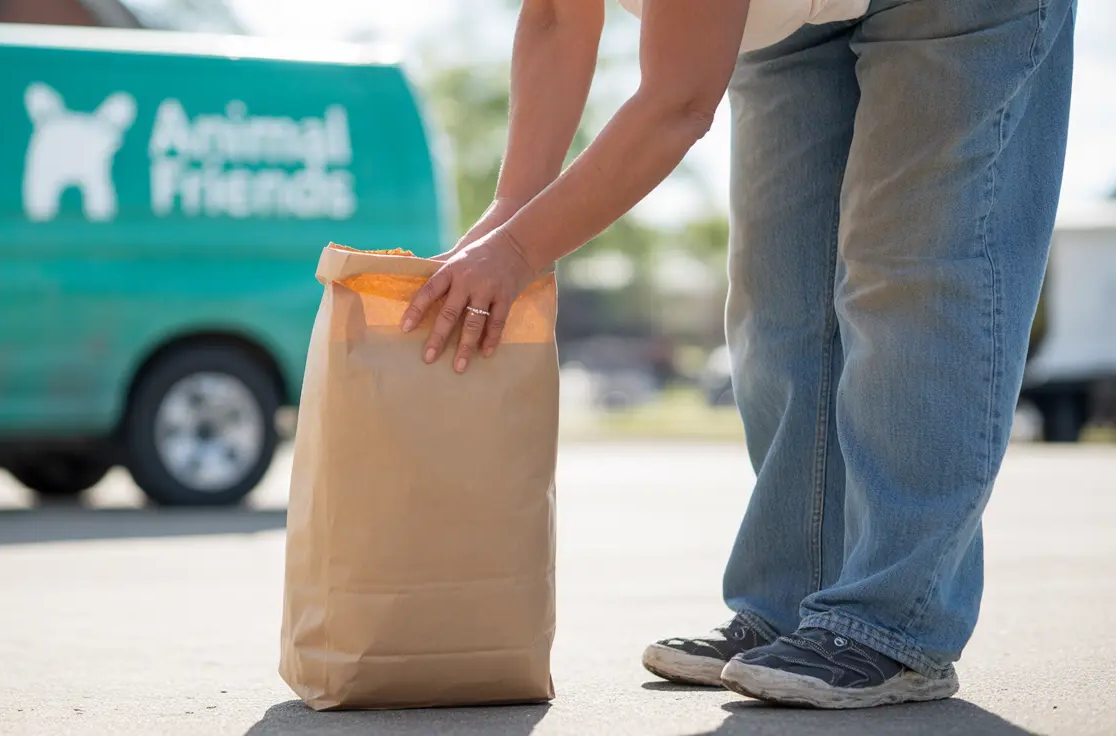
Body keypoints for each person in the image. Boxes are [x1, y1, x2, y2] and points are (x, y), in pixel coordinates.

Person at [400, 0, 1076, 710]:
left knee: (906, 271)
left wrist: (518, 251)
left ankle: (893, 620)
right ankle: (795, 602)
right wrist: (511, 204)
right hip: (786, 22)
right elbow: (557, 18)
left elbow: (677, 102)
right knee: (779, 290)